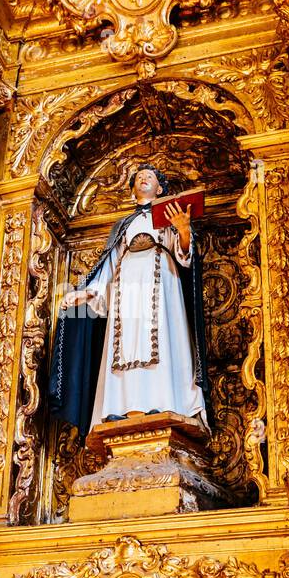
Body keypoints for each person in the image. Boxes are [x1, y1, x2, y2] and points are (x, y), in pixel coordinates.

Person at [49, 163, 210, 437]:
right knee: (123, 343)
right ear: (133, 188)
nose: (143, 178)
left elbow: (184, 256)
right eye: (138, 177)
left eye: (150, 177)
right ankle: (121, 405)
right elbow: (109, 265)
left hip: (162, 283)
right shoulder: (123, 226)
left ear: (160, 188)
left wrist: (182, 229)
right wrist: (86, 291)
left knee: (160, 339)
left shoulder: (170, 216)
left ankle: (163, 402)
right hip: (126, 288)